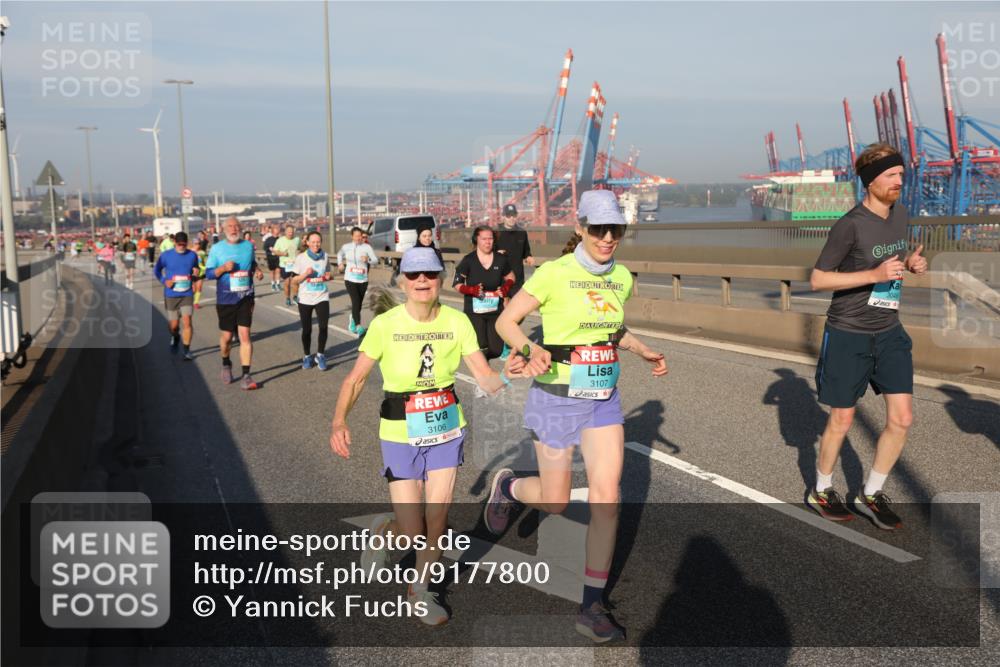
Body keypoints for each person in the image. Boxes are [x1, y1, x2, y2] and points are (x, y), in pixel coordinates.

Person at [485, 189, 668, 643]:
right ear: (581, 228)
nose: (608, 238)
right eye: (599, 229)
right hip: (557, 399)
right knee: (556, 500)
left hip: (602, 397)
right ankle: (509, 485)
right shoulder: (553, 273)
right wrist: (531, 348)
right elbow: (505, 323)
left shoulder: (621, 277)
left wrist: (641, 350)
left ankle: (592, 605)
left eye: (616, 230)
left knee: (608, 499)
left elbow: (610, 326)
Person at [329, 247, 518, 627]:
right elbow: (357, 378)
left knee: (437, 518)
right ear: (403, 280)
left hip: (446, 428)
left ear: (440, 279)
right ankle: (387, 531)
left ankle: (420, 588)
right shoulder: (386, 325)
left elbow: (484, 377)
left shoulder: (457, 322)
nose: (421, 281)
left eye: (429, 274)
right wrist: (338, 421)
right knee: (412, 529)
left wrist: (511, 372)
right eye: (413, 275)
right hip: (400, 430)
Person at [807, 143, 927, 529]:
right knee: (842, 418)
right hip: (848, 333)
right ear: (870, 180)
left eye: (901, 176)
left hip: (889, 331)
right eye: (891, 176)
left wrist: (911, 262)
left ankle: (870, 493)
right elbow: (818, 279)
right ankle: (822, 489)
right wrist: (873, 276)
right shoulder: (850, 225)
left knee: (903, 418)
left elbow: (894, 256)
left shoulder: (901, 215)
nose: (899, 183)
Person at [205, 217, 265, 389]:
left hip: (246, 297)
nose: (233, 229)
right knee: (227, 338)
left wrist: (258, 270)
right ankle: (226, 363)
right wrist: (223, 268)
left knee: (245, 335)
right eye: (230, 226)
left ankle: (246, 375)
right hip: (225, 299)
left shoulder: (248, 246)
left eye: (236, 226)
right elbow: (208, 274)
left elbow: (251, 263)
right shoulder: (217, 249)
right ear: (224, 229)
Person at [453, 226, 515, 361]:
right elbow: (457, 284)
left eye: (490, 239)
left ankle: (483, 366)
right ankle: (483, 376)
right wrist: (471, 290)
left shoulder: (500, 259)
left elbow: (511, 277)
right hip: (475, 312)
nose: (488, 242)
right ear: (477, 240)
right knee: (481, 346)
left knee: (497, 349)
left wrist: (505, 288)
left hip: (495, 311)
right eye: (484, 239)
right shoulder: (468, 260)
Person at [495, 203, 535, 358]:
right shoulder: (496, 232)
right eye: (508, 215)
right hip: (502, 278)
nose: (511, 218)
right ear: (503, 216)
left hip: (518, 278)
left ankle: (507, 335)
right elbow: (485, 249)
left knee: (521, 313)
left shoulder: (521, 233)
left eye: (513, 215)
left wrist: (529, 257)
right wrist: (495, 252)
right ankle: (506, 345)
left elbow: (526, 251)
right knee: (506, 312)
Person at [154, 231, 200, 360]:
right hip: (171, 294)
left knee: (187, 322)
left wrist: (196, 274)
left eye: (184, 245)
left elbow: (196, 270)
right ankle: (175, 336)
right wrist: (164, 281)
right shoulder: (166, 256)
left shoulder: (192, 255)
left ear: (187, 243)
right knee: (174, 325)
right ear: (174, 242)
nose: (181, 247)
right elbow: (156, 270)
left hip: (187, 293)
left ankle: (186, 350)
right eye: (179, 244)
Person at [290, 231, 333, 370]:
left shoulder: (325, 256)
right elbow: (294, 280)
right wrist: (305, 274)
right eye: (313, 242)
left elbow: (328, 273)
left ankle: (320, 355)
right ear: (307, 242)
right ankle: (307, 356)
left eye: (318, 242)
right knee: (307, 330)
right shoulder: (301, 258)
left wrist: (328, 276)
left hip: (322, 296)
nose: (316, 244)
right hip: (305, 298)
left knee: (323, 326)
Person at [337, 226, 378, 335]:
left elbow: (375, 260)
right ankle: (359, 326)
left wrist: (368, 259)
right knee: (355, 301)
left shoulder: (367, 247)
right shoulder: (346, 247)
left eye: (360, 236)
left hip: (363, 280)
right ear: (352, 236)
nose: (358, 238)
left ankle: (353, 319)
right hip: (350, 279)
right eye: (356, 236)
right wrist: (340, 264)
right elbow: (339, 254)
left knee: (358, 304)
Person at [272, 224, 300, 306]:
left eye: (292, 232)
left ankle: (295, 297)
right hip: (285, 265)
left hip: (295, 264)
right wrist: (282, 253)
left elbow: (301, 248)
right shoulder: (280, 240)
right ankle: (287, 298)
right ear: (285, 232)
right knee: (287, 282)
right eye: (289, 232)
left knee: (295, 282)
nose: (290, 233)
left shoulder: (297, 239)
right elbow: (274, 251)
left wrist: (299, 252)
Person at [262, 224, 281, 292]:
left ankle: (278, 283)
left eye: (278, 229)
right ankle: (273, 284)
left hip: (278, 257)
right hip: (270, 257)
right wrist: (270, 249)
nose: (278, 230)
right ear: (273, 231)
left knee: (278, 270)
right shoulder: (268, 239)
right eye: (276, 229)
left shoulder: (280, 239)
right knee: (272, 271)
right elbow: (264, 248)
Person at [192, 238, 209, 309]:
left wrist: (206, 267)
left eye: (199, 243)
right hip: (192, 273)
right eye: (196, 244)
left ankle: (196, 302)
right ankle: (190, 301)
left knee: (199, 287)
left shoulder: (202, 252)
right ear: (193, 244)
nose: (197, 245)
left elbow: (206, 262)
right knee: (193, 289)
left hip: (201, 272)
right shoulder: (190, 252)